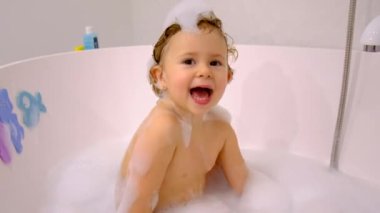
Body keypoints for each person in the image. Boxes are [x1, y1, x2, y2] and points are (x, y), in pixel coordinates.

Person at [115, 1, 248, 212]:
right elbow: (135, 206)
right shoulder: (162, 130)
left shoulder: (222, 132)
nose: (205, 71)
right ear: (160, 77)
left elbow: (247, 191)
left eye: (215, 63)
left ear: (229, 76)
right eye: (189, 61)